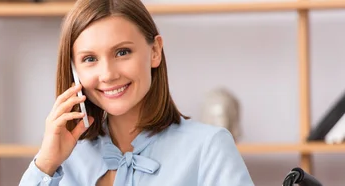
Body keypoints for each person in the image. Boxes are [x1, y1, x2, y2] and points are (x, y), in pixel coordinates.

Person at [19, 0, 255, 185]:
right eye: (90, 59)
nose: (108, 74)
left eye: (122, 52)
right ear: (74, 69)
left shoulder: (209, 148)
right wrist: (46, 164)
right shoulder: (66, 158)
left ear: (155, 51)